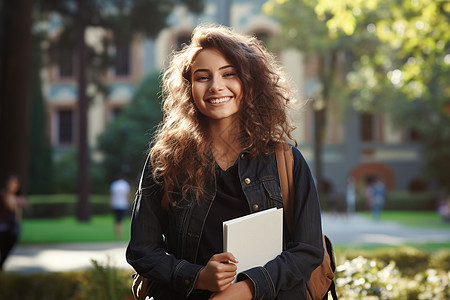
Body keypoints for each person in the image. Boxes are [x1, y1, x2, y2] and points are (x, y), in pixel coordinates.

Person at [126, 24, 324, 300]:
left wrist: (247, 288)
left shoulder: (286, 160)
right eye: (202, 77)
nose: (216, 86)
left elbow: (308, 250)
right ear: (189, 87)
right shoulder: (166, 160)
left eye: (229, 74)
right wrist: (197, 277)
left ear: (249, 82)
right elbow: (142, 250)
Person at [0, 175, 28, 270]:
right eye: (12, 183)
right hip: (3, 226)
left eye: (16, 184)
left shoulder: (16, 196)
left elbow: (25, 204)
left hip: (12, 227)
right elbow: (10, 205)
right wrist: (16, 200)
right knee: (3, 248)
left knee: (7, 248)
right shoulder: (4, 194)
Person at [110, 174, 131, 239]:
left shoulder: (114, 184)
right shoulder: (125, 184)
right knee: (120, 220)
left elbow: (112, 195)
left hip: (115, 204)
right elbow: (127, 195)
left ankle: (118, 234)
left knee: (117, 220)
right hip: (123, 204)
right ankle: (120, 234)